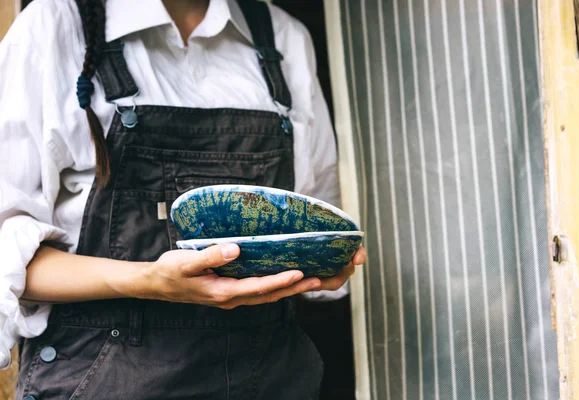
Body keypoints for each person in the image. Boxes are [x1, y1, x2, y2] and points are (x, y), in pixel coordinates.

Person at [0, 0, 366, 398]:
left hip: (267, 380)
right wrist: (148, 280)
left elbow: (314, 217)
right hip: (105, 380)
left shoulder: (282, 36)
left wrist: (319, 259)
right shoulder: (56, 23)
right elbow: (9, 261)